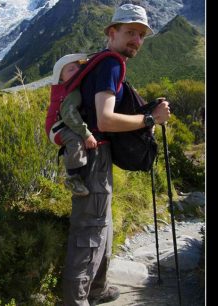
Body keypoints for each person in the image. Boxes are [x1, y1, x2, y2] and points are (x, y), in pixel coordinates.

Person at [62, 4, 171, 305]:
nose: (136, 40)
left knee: (102, 224)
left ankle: (97, 289)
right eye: (130, 33)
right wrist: (151, 120)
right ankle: (76, 300)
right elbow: (105, 120)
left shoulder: (103, 61)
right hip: (93, 157)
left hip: (96, 154)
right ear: (112, 33)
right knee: (90, 232)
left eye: (141, 35)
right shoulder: (111, 64)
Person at [51, 54, 98, 196]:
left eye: (78, 67)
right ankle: (72, 177)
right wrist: (86, 134)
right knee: (75, 139)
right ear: (61, 77)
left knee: (76, 137)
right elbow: (69, 115)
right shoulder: (71, 92)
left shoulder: (73, 88)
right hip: (57, 127)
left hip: (61, 125)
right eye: (71, 69)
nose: (76, 70)